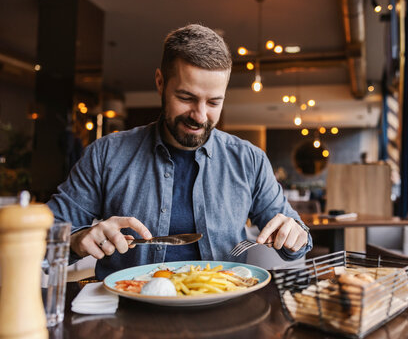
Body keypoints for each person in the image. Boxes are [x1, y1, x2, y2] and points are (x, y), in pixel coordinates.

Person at [47, 24, 312, 279]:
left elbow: (299, 239)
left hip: (222, 310)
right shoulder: (106, 154)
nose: (200, 116)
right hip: (128, 312)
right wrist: (76, 240)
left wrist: (294, 235)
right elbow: (44, 236)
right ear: (160, 83)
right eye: (186, 98)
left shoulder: (249, 160)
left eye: (213, 102)